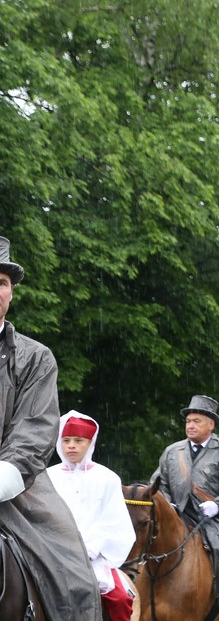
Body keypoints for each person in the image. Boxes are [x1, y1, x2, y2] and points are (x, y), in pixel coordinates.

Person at [0, 236, 102, 619]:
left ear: (11, 293)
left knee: (74, 574)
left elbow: (33, 435)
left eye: (3, 282)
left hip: (19, 485)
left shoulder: (36, 358)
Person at [152, 394, 219, 621]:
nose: (190, 425)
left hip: (217, 516)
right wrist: (168, 503)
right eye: (188, 421)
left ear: (211, 424)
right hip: (178, 512)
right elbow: (158, 482)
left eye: (196, 421)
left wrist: (218, 505)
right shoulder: (173, 451)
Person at [47, 410, 137, 621]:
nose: (71, 445)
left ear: (90, 443)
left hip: (94, 557)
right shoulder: (47, 477)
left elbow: (114, 521)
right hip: (51, 554)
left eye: (78, 440)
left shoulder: (107, 478)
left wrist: (89, 548)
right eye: (66, 440)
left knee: (120, 599)